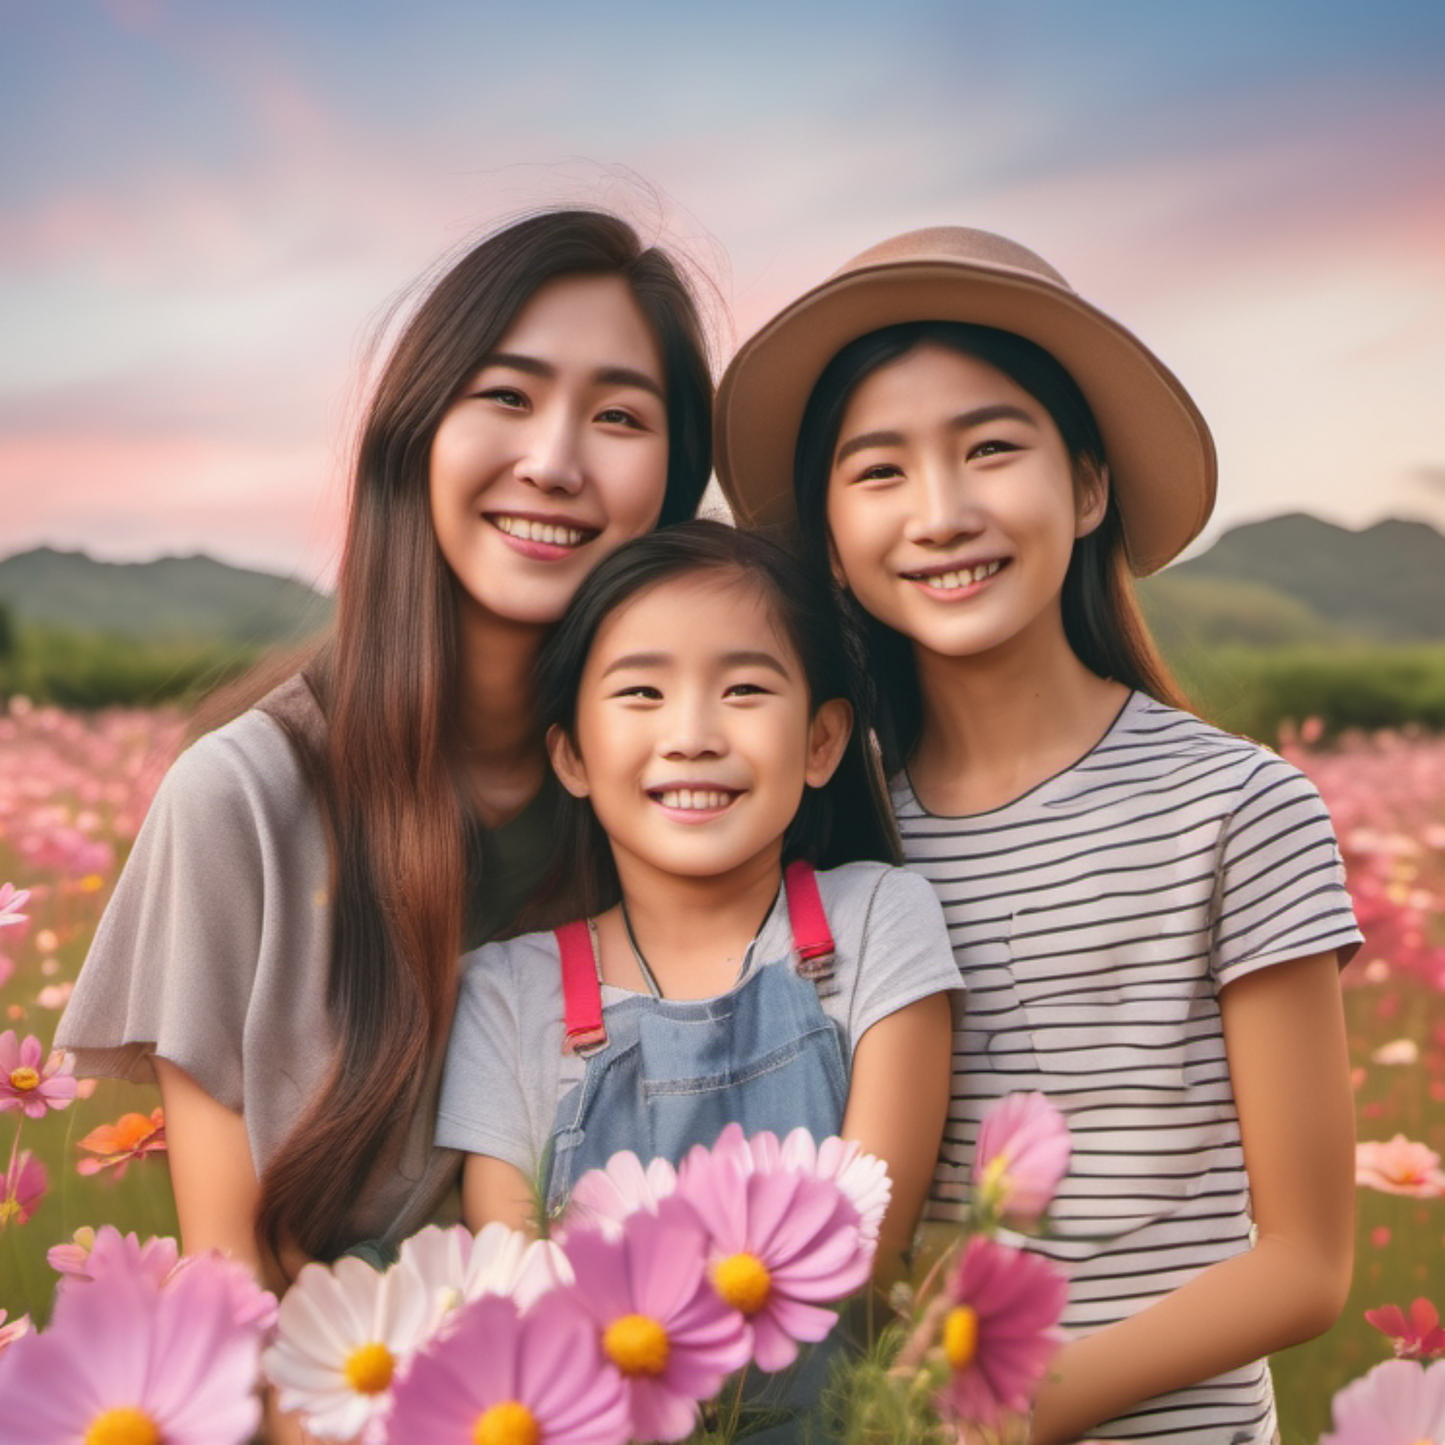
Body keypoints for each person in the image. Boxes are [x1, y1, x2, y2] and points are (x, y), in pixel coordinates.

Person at [714, 228, 1361, 1444]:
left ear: (1086, 485)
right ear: (834, 545)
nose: (941, 511)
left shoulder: (1236, 810)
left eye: (989, 447)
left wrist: (1014, 1409)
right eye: (878, 470)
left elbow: (1306, 1263)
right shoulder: (831, 843)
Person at [55, 208, 715, 1291]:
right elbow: (236, 1302)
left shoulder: (692, 790)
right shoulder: (238, 805)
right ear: (415, 431)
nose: (551, 462)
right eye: (506, 395)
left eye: (618, 415)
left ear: (673, 476)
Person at [436, 520, 959, 1287]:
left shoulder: (880, 917)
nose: (690, 735)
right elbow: (518, 1296)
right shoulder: (504, 996)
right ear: (572, 755)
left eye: (743, 689)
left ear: (821, 741)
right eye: (641, 692)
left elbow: (863, 1257)